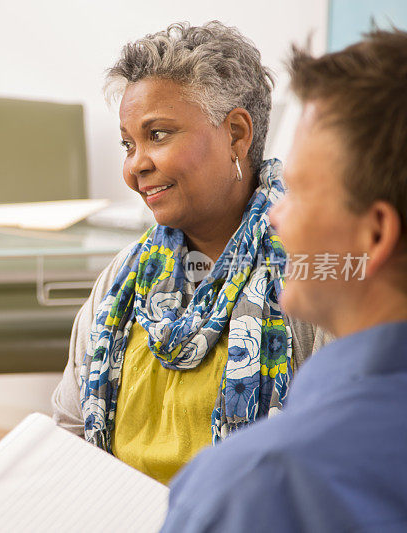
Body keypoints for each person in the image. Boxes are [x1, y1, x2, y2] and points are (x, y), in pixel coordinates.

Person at [52, 21, 328, 485]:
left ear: (237, 134)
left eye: (158, 134)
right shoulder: (122, 281)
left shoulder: (314, 277)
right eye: (128, 143)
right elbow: (71, 431)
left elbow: (339, 458)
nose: (135, 165)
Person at [160, 28, 407, 532]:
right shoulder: (119, 285)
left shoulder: (257, 487)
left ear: (375, 233)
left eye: (296, 191)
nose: (277, 216)